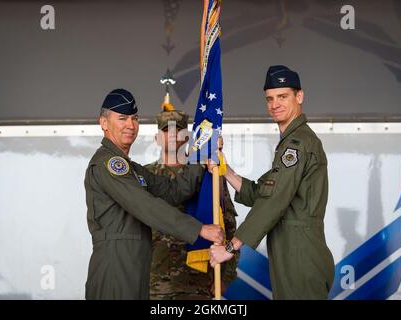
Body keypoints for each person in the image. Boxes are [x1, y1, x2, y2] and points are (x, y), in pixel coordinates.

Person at [84, 88, 224, 300]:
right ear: (104, 123)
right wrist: (199, 229)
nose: (130, 125)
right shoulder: (108, 163)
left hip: (136, 265)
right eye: (122, 118)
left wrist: (200, 156)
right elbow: (146, 205)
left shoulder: (132, 169)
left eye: (134, 118)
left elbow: (173, 191)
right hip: (116, 264)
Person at [209, 66, 335, 300]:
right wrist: (225, 171)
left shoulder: (297, 144)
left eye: (282, 96)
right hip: (291, 248)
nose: (274, 104)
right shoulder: (291, 142)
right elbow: (262, 193)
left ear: (299, 96)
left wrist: (230, 248)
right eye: (270, 98)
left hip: (299, 251)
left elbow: (274, 201)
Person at [146, 98, 239, 300]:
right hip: (154, 286)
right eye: (165, 130)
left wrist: (226, 277)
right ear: (156, 138)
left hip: (198, 285)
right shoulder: (144, 177)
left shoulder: (208, 176)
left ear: (187, 137)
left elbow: (228, 225)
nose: (171, 135)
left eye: (177, 130)